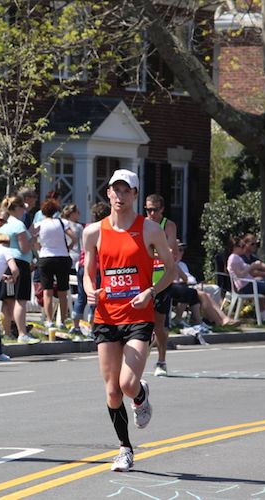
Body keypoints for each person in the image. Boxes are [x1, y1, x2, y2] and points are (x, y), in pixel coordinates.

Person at [83, 169, 176, 472]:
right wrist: (89, 291)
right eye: (115, 190)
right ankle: (124, 448)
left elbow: (171, 269)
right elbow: (87, 272)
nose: (120, 196)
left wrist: (150, 291)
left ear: (135, 195)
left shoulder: (149, 229)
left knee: (126, 383)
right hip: (106, 316)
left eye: (126, 191)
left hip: (138, 315)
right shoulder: (93, 232)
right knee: (112, 390)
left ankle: (140, 394)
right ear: (108, 193)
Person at [144, 194, 178, 377]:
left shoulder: (168, 226)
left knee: (158, 325)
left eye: (155, 210)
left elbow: (171, 252)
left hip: (162, 281)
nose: (151, 213)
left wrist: (154, 253)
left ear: (162, 210)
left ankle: (161, 360)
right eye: (148, 209)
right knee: (141, 323)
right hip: (143, 280)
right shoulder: (142, 225)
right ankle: (144, 348)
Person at [0, 196, 40, 344]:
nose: (24, 210)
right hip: (20, 264)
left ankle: (7, 332)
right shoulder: (18, 225)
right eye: (22, 207)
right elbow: (24, 248)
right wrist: (33, 238)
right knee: (20, 300)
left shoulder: (2, 224)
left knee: (7, 300)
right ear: (16, 208)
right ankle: (22, 333)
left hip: (5, 263)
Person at [69, 202, 110, 337]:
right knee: (95, 298)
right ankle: (92, 327)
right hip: (97, 267)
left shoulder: (86, 228)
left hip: (82, 265)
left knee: (82, 297)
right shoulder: (104, 230)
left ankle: (75, 326)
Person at [34, 199, 76, 329]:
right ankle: (62, 320)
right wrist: (69, 247)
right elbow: (74, 237)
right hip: (62, 257)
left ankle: (49, 319)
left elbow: (34, 239)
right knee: (63, 291)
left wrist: (39, 247)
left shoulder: (39, 224)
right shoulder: (62, 222)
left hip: (45, 257)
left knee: (47, 291)